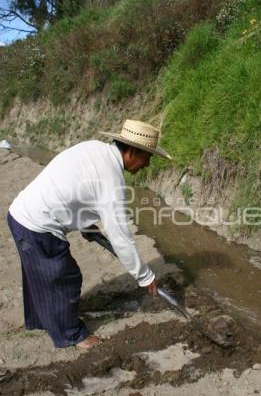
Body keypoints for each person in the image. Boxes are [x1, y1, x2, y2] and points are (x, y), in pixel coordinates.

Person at [7, 119, 171, 349]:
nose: (148, 164)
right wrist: (145, 276)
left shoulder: (94, 148)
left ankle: (44, 320)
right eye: (148, 157)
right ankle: (72, 335)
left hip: (21, 213)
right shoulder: (112, 181)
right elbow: (120, 237)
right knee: (65, 278)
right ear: (133, 152)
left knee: (40, 275)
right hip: (38, 225)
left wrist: (86, 224)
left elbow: (76, 186)